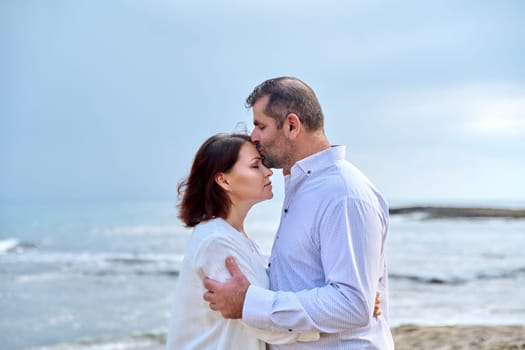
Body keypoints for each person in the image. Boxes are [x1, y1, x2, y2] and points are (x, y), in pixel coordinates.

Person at [203, 77, 395, 349]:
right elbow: (304, 276)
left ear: (292, 125)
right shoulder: (304, 188)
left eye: (260, 125)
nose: (253, 136)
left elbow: (352, 304)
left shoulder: (343, 194)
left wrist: (249, 302)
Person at [166, 133, 320, 350]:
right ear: (223, 180)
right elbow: (263, 323)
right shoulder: (216, 242)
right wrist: (340, 318)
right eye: (255, 166)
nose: (268, 172)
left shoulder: (235, 238)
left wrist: (343, 297)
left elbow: (273, 300)